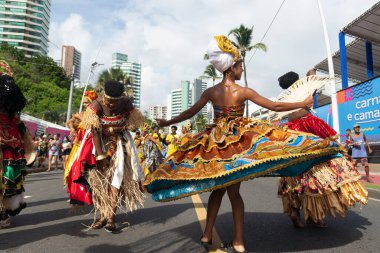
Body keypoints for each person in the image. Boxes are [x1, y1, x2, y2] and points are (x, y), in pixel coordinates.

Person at [144, 35, 344, 253]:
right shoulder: (243, 92)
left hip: (215, 144)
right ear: (232, 67)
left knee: (218, 191)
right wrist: (303, 103)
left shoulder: (211, 92)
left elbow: (190, 112)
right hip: (238, 143)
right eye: (240, 66)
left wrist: (168, 121)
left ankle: (206, 234)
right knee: (234, 194)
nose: (242, 70)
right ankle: (238, 242)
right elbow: (275, 106)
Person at [276, 71, 368, 228]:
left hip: (290, 131)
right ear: (298, 81)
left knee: (293, 177)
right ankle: (314, 217)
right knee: (315, 175)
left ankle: (295, 212)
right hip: (307, 125)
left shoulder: (285, 98)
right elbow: (328, 136)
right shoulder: (302, 91)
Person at [81, 80, 144, 232]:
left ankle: (110, 217)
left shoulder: (126, 103)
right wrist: (101, 156)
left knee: (116, 179)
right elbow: (95, 131)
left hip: (120, 146)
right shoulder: (97, 104)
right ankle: (102, 215)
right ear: (104, 96)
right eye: (109, 101)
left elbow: (134, 124)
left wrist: (118, 128)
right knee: (100, 182)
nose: (111, 105)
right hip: (99, 146)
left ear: (121, 97)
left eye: (115, 102)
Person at [0, 61, 33, 228]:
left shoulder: (14, 118)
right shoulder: (15, 117)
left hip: (8, 153)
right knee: (7, 181)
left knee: (6, 181)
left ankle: (3, 213)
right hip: (10, 152)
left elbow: (22, 136)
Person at [64, 90, 97, 208]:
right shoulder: (81, 113)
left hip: (89, 147)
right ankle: (76, 196)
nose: (84, 104)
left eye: (87, 102)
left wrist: (81, 118)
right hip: (77, 147)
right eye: (83, 102)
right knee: (72, 170)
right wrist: (73, 129)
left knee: (82, 170)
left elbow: (92, 127)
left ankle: (88, 195)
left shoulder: (95, 115)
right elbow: (69, 122)